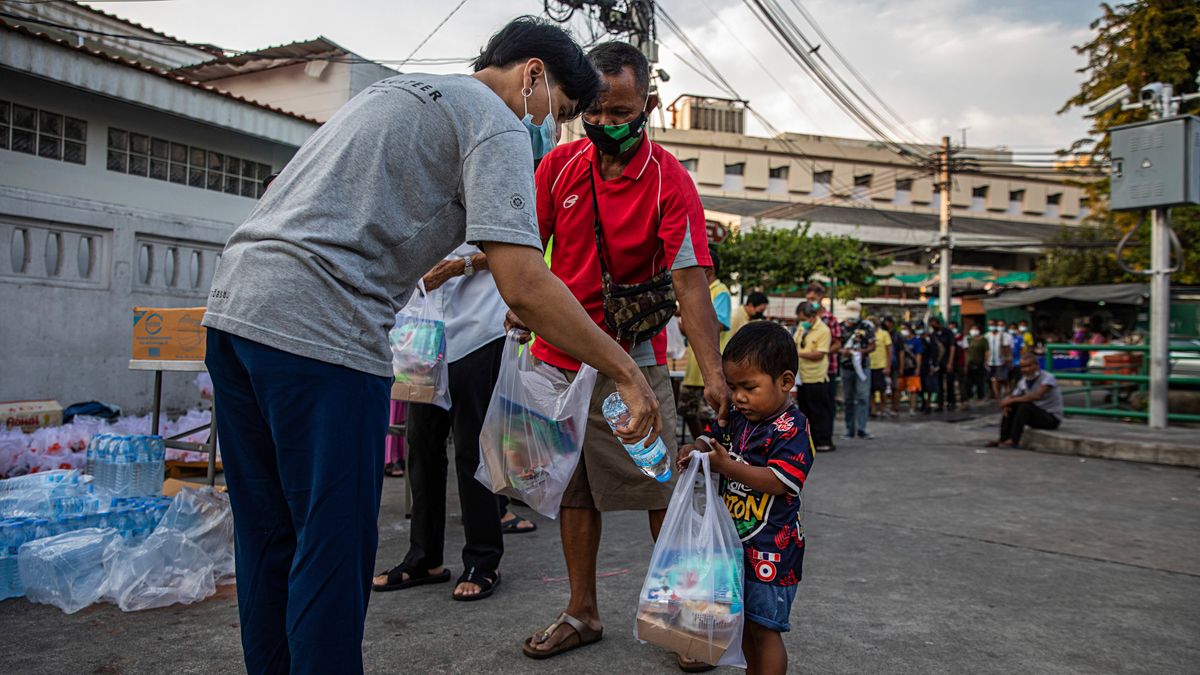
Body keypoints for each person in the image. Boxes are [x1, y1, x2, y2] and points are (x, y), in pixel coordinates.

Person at [201, 18, 667, 675]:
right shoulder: (496, 120)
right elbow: (526, 286)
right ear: (532, 75)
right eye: (560, 111)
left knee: (269, 541)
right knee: (330, 553)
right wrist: (623, 366)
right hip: (320, 332)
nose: (555, 131)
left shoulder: (393, 94)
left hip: (234, 314)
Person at [518, 42, 728, 665]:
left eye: (623, 114)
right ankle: (582, 611)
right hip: (557, 364)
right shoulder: (556, 167)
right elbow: (528, 251)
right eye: (597, 114)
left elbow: (691, 286)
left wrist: (712, 372)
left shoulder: (671, 181)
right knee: (576, 490)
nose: (609, 127)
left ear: (650, 106)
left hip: (630, 366)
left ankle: (686, 615)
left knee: (658, 486)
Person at [371, 244, 531, 603]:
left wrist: (460, 266)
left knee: (473, 449)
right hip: (424, 332)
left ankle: (483, 559)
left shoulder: (490, 189)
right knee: (422, 446)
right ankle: (424, 557)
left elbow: (517, 249)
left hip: (477, 328)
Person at [677, 321, 814, 675]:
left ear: (785, 382)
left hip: (773, 551)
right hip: (734, 547)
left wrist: (727, 466)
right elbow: (711, 436)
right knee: (743, 628)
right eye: (733, 386)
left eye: (749, 387)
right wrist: (696, 448)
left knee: (765, 629)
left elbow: (779, 481)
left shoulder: (793, 428)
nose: (738, 397)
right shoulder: (738, 417)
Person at [680, 256, 732, 441]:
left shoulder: (720, 291)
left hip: (710, 366)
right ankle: (701, 448)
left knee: (708, 415)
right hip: (694, 368)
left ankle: (712, 451)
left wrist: (688, 324)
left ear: (708, 269)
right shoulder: (700, 292)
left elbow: (717, 323)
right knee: (687, 411)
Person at [987, 353, 1064, 447]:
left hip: (1051, 418)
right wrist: (1006, 403)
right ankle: (1003, 438)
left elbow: (1037, 396)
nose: (1027, 369)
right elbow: (1013, 396)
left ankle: (1014, 440)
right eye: (1023, 367)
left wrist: (1012, 400)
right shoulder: (1023, 381)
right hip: (1035, 415)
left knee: (1024, 406)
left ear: (1036, 365)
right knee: (1011, 406)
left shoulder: (1048, 378)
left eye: (1029, 366)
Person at [795, 300, 834, 452]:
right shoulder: (801, 328)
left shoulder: (823, 330)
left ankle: (824, 440)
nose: (803, 323)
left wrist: (798, 354)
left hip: (816, 377)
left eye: (804, 319)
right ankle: (809, 441)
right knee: (805, 411)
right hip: (802, 377)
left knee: (819, 411)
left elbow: (820, 353)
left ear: (812, 317)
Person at [839, 301, 875, 440]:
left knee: (862, 397)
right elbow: (836, 346)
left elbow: (873, 345)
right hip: (846, 367)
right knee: (848, 399)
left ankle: (862, 428)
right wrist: (844, 351)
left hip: (863, 367)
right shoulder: (840, 327)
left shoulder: (866, 326)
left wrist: (862, 351)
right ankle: (849, 429)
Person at [930, 316, 956, 412]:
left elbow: (952, 347)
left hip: (947, 361)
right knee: (939, 384)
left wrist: (950, 362)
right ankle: (940, 403)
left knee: (949, 382)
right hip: (937, 363)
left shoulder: (948, 333)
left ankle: (951, 402)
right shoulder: (933, 335)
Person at [869, 315, 893, 418]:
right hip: (869, 365)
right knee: (871, 390)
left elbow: (889, 350)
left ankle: (883, 408)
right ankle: (873, 409)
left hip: (881, 365)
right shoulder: (867, 334)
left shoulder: (884, 334)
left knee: (882, 389)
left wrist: (888, 366)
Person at [898, 322, 923, 415]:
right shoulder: (901, 341)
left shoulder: (916, 341)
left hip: (912, 367)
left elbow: (918, 355)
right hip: (902, 367)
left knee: (913, 389)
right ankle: (896, 408)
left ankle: (912, 409)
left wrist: (918, 367)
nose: (903, 331)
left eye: (904, 328)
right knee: (898, 388)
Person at [917, 320, 942, 413]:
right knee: (921, 386)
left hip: (929, 365)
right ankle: (923, 402)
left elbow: (934, 352)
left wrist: (933, 365)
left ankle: (928, 403)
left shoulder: (931, 339)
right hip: (921, 365)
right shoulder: (918, 339)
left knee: (930, 386)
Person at [986, 319, 1013, 400]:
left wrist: (1008, 359)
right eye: (989, 325)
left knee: (1003, 379)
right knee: (993, 379)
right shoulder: (987, 336)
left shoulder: (1003, 336)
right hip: (990, 362)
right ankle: (997, 396)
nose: (991, 326)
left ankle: (1007, 393)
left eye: (993, 324)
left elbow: (1007, 348)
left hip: (1001, 361)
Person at [964, 323, 988, 408]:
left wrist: (986, 361)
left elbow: (986, 351)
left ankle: (980, 398)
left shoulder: (983, 340)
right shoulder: (968, 339)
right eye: (972, 329)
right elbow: (965, 351)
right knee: (968, 383)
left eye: (975, 329)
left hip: (980, 364)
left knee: (980, 382)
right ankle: (968, 398)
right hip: (970, 364)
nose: (974, 331)